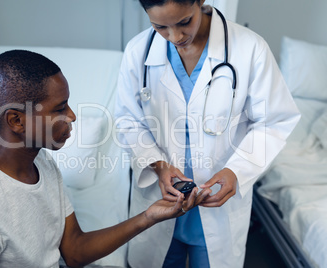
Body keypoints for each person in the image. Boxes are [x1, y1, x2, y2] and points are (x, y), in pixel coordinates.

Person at [0, 50, 211, 267]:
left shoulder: (41, 163)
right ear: (16, 121)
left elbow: (73, 250)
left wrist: (149, 216)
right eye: (60, 108)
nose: (72, 116)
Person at [114, 0, 300, 267]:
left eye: (184, 22)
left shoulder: (249, 48)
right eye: (160, 26)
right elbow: (128, 121)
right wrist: (159, 166)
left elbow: (274, 121)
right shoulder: (137, 51)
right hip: (160, 199)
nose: (175, 37)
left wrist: (237, 170)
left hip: (218, 204)